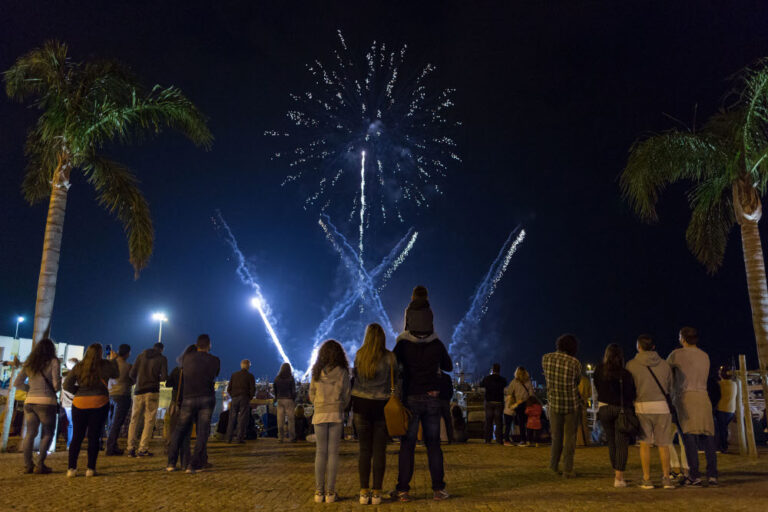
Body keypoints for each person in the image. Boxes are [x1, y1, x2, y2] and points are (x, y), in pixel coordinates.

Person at [393, 285, 453, 502]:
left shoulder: (402, 344)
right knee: (433, 445)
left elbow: (394, 366)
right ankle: (438, 489)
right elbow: (449, 366)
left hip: (410, 397)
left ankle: (403, 490)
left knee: (407, 445)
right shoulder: (436, 343)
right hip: (432, 397)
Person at [351, 323, 397, 505]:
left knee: (364, 450)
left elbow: (355, 379)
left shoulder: (359, 356)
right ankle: (377, 492)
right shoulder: (390, 357)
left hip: (361, 405)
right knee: (379, 451)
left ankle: (364, 492)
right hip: (381, 406)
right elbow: (395, 383)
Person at [668, 327, 718, 486]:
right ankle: (712, 475)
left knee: (689, 437)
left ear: (682, 338)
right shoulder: (705, 356)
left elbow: (667, 374)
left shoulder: (676, 355)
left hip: (685, 397)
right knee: (708, 436)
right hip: (703, 396)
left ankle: (694, 475)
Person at [625, 334, 676, 489]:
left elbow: (629, 388)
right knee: (664, 444)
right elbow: (671, 387)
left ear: (638, 347)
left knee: (645, 444)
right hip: (662, 407)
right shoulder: (665, 365)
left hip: (642, 406)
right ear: (653, 347)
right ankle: (666, 478)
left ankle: (647, 479)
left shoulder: (631, 365)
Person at [166, 334, 220, 474]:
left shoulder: (186, 359)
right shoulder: (214, 360)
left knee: (179, 430)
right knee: (202, 432)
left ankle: (171, 462)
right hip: (206, 398)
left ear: (197, 345)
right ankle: (194, 465)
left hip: (188, 398)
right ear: (209, 345)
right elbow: (214, 374)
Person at [63, 343, 119, 477]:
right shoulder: (105, 365)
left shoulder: (79, 366)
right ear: (100, 353)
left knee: (77, 436)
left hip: (80, 403)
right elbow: (116, 374)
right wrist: (114, 360)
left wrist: (78, 392)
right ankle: (90, 468)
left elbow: (66, 384)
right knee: (94, 436)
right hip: (99, 403)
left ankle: (71, 468)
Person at [309, 339, 351, 504]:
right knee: (333, 453)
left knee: (320, 452)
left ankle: (319, 492)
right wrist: (340, 405)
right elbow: (347, 395)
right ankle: (331, 492)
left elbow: (311, 393)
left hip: (319, 413)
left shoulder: (316, 371)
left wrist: (318, 403)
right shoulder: (343, 372)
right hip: (335, 413)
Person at [14, 338, 60, 474]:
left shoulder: (29, 363)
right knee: (47, 433)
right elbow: (56, 385)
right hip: (46, 402)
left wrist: (30, 389)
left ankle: (28, 465)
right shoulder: (53, 361)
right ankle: (40, 465)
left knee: (30, 433)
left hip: (30, 402)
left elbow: (17, 383)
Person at [593, 343, 636, 487]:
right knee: (621, 443)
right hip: (620, 409)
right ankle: (619, 478)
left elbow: (598, 387)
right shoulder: (625, 374)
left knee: (611, 442)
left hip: (604, 408)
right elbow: (631, 394)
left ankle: (616, 473)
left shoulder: (599, 370)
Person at [542, 334, 582, 478]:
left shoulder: (546, 358)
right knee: (570, 438)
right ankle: (568, 469)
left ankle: (553, 466)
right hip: (571, 403)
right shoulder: (575, 363)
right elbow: (577, 382)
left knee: (556, 437)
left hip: (554, 402)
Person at [127, 342, 168, 457]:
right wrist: (155, 378)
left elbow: (131, 374)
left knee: (134, 419)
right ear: (161, 349)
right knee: (149, 420)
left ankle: (130, 447)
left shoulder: (141, 356)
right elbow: (164, 377)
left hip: (138, 391)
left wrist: (140, 380)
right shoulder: (162, 358)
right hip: (152, 391)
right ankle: (143, 448)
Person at [165, 344, 197, 471]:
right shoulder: (195, 372)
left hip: (176, 404)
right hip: (188, 404)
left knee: (176, 434)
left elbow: (168, 383)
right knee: (186, 436)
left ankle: (171, 463)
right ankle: (185, 463)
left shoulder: (177, 370)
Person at [105, 344, 132, 455]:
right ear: (127, 353)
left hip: (110, 394)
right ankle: (111, 447)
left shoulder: (111, 364)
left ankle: (112, 445)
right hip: (122, 395)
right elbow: (132, 380)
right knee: (117, 423)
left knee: (111, 422)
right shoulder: (128, 366)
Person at [227, 359, 256, 444]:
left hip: (234, 398)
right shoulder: (250, 376)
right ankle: (240, 438)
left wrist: (233, 396)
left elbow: (229, 388)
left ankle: (229, 438)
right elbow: (252, 389)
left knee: (232, 418)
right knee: (242, 418)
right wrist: (249, 397)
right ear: (248, 366)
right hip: (244, 398)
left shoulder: (234, 375)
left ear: (241, 365)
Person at [504, 366, 533, 446]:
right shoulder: (528, 381)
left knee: (521, 423)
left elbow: (509, 392)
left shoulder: (514, 382)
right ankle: (528, 439)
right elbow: (531, 394)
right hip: (527, 404)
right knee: (528, 422)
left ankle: (522, 439)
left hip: (519, 404)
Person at [480, 364, 507, 445]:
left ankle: (488, 440)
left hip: (489, 401)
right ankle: (499, 440)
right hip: (499, 401)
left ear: (492, 369)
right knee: (499, 422)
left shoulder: (487, 378)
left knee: (488, 422)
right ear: (499, 370)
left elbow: (481, 385)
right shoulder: (503, 380)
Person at [715, 367, 737, 453]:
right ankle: (724, 445)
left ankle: (723, 447)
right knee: (724, 429)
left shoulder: (720, 384)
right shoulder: (734, 384)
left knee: (721, 430)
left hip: (722, 409)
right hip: (731, 410)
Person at [274, 362, 297, 443]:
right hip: (289, 399)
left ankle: (280, 437)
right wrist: (294, 399)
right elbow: (294, 391)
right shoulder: (291, 378)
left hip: (280, 400)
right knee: (291, 420)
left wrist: (277, 398)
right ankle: (292, 437)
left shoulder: (277, 378)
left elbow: (275, 390)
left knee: (280, 420)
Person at [438, 370, 455, 444]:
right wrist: (448, 397)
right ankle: (450, 438)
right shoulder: (447, 377)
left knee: (435, 421)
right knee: (447, 420)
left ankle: (436, 439)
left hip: (437, 400)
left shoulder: (432, 376)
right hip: (445, 399)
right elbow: (451, 389)